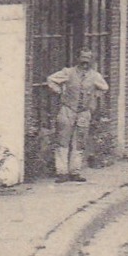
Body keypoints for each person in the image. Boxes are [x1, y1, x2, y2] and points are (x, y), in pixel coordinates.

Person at [45, 49, 109, 182]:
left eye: (87, 60)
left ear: (91, 61)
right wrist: (60, 91)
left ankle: (75, 171)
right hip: (67, 110)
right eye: (82, 60)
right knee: (62, 141)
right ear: (78, 59)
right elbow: (51, 80)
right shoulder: (68, 72)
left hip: (84, 113)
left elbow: (104, 88)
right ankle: (62, 172)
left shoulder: (95, 76)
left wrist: (93, 96)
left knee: (79, 142)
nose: (85, 63)